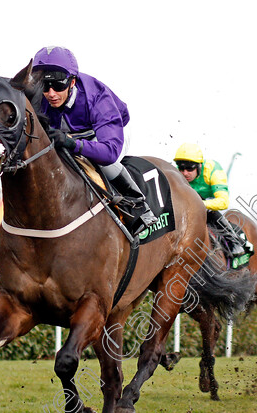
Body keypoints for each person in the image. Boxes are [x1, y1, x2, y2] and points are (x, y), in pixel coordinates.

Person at [31, 46, 157, 236]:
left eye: (58, 86)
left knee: (102, 162)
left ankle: (138, 206)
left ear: (72, 82)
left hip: (106, 135)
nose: (50, 93)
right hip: (68, 135)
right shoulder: (36, 96)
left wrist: (73, 144)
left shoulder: (97, 98)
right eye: (44, 86)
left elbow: (109, 151)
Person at [173, 143, 245, 257]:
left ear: (199, 166)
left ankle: (233, 242)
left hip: (208, 201)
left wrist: (198, 204)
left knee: (211, 212)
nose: (185, 172)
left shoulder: (213, 170)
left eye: (189, 168)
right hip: (188, 201)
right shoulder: (176, 173)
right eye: (181, 168)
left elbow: (223, 202)